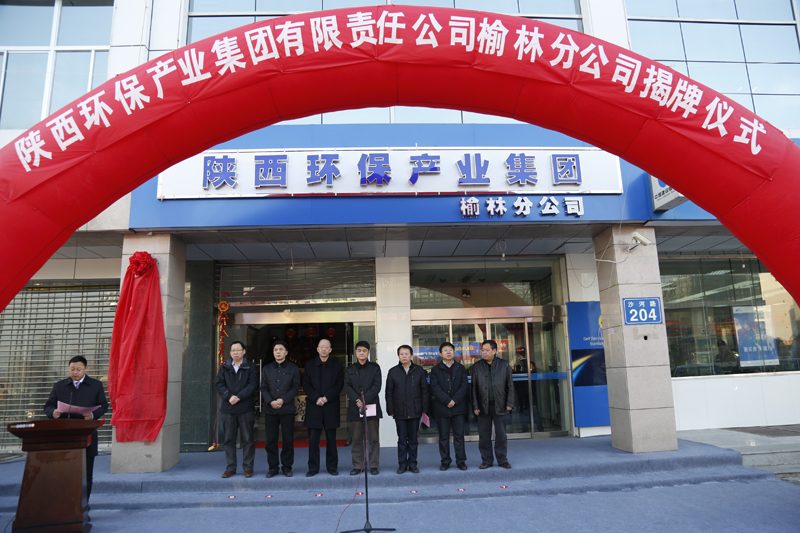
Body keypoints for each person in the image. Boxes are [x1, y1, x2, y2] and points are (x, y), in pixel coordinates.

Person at [43, 355, 109, 500]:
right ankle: (65, 504)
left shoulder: (96, 385)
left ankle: (83, 505)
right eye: (72, 369)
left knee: (86, 473)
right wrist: (53, 413)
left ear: (85, 369)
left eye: (78, 369)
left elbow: (104, 405)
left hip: (87, 434)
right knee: (64, 473)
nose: (75, 372)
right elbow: (48, 406)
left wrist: (92, 415)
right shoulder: (60, 386)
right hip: (65, 435)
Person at [215, 340, 258, 478]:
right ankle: (230, 467)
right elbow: (219, 384)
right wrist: (229, 396)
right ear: (230, 352)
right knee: (229, 440)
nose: (235, 352)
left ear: (244, 352)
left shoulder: (250, 366)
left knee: (248, 440)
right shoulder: (224, 367)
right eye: (233, 350)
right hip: (228, 409)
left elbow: (253, 384)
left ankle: (248, 467)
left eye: (238, 350)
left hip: (245, 408)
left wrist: (239, 397)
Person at [385, 345, 429, 474]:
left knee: (413, 439)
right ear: (398, 356)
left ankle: (413, 463)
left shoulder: (419, 371)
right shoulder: (393, 372)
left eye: (406, 353)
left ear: (411, 356)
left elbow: (425, 391)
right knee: (402, 440)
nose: (404, 356)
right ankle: (402, 464)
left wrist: (424, 409)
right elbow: (389, 393)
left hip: (415, 410)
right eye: (401, 354)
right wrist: (390, 410)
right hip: (399, 411)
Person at [303, 338, 344, 477]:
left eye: (327, 347)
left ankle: (332, 467)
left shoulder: (337, 365)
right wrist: (316, 398)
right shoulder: (309, 365)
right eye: (321, 347)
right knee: (313, 440)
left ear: (330, 350)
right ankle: (313, 468)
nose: (324, 349)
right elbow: (306, 385)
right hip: (314, 407)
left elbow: (339, 385)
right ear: (317, 349)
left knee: (331, 440)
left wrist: (326, 397)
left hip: (330, 406)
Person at [472, 339, 514, 469]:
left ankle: (502, 459)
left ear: (494, 351)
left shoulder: (504, 365)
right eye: (482, 350)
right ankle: (486, 460)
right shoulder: (477, 366)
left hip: (500, 404)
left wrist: (509, 402)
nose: (484, 352)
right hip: (483, 405)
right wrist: (475, 406)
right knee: (484, 435)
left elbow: (510, 386)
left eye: (487, 350)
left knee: (501, 434)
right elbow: (473, 389)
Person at [261, 340, 300, 478]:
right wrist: (270, 401)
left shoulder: (293, 368)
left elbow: (295, 387)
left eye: (281, 349)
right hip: (270, 410)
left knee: (288, 439)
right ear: (273, 352)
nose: (278, 352)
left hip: (287, 409)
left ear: (286, 352)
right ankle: (273, 467)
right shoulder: (266, 368)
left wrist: (283, 400)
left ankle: (287, 467)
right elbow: (263, 388)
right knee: (271, 440)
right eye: (275, 350)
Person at [344, 340, 383, 476]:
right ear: (356, 352)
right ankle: (358, 465)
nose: (361, 353)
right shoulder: (350, 369)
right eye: (359, 350)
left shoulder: (375, 368)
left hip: (371, 405)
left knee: (374, 437)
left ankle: (373, 464)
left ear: (368, 352)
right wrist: (357, 400)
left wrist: (364, 399)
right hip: (355, 407)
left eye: (364, 350)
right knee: (356, 437)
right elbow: (347, 386)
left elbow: (377, 386)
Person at [429, 341, 469, 471]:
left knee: (459, 436)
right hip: (442, 407)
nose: (448, 352)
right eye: (445, 350)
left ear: (454, 352)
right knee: (443, 437)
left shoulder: (460, 368)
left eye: (450, 350)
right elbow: (435, 387)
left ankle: (461, 461)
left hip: (458, 407)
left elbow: (464, 386)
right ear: (440, 354)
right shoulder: (435, 369)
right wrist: (447, 400)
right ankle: (445, 461)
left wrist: (455, 400)